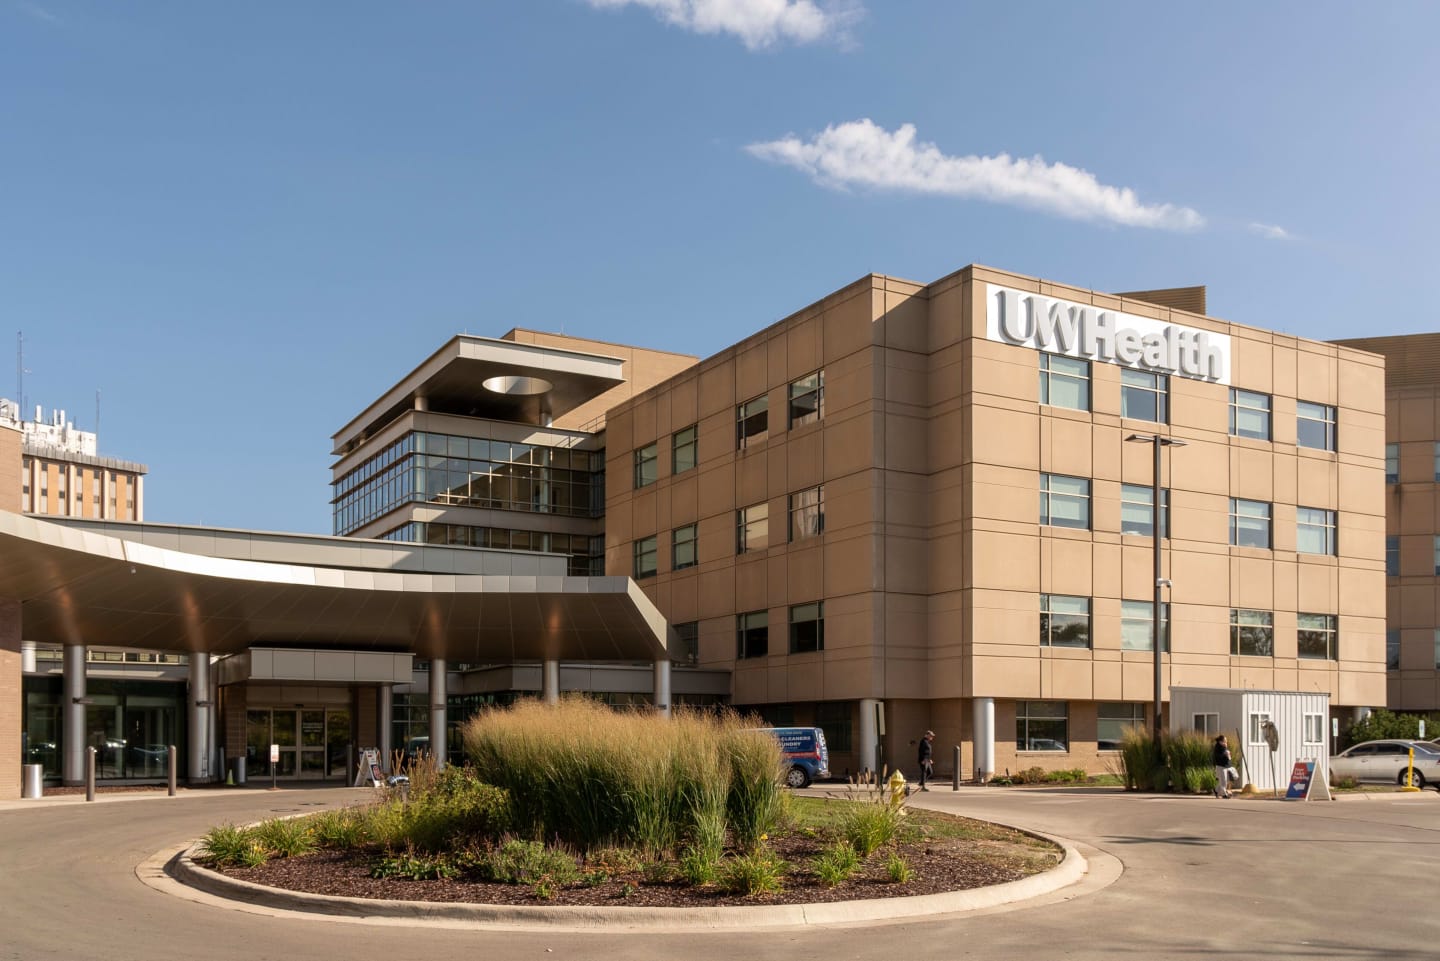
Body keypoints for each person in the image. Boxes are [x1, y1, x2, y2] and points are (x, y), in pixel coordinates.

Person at [1211, 734, 1233, 798]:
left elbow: (1227, 756)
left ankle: (1216, 790)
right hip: (1220, 766)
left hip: (1224, 766)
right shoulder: (1218, 747)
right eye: (1224, 741)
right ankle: (1224, 794)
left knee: (1223, 780)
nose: (1226, 742)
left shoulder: (1223, 747)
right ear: (1220, 741)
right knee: (1223, 781)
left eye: (1226, 741)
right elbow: (1219, 756)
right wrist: (1226, 751)